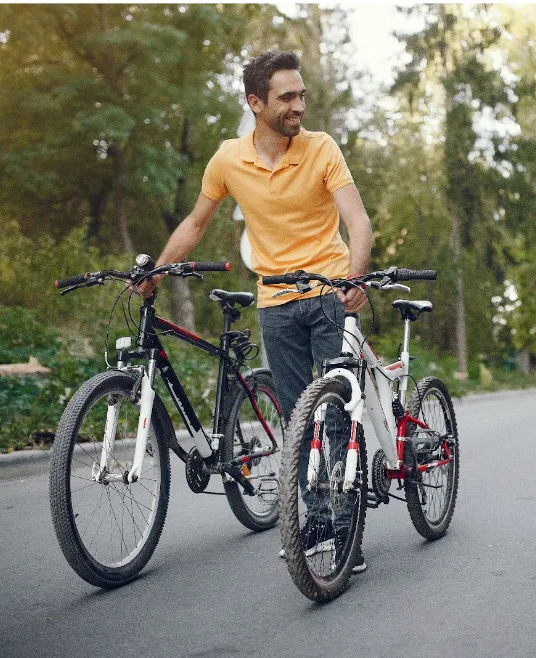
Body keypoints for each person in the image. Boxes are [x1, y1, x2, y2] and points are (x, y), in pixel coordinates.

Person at [137, 49, 373, 573]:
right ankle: (313, 517)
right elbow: (196, 223)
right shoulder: (228, 160)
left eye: (302, 95)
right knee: (295, 418)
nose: (299, 106)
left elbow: (358, 222)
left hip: (330, 292)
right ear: (255, 103)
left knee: (335, 410)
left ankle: (346, 521)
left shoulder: (321, 149)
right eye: (287, 97)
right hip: (276, 301)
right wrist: (157, 268)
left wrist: (354, 278)